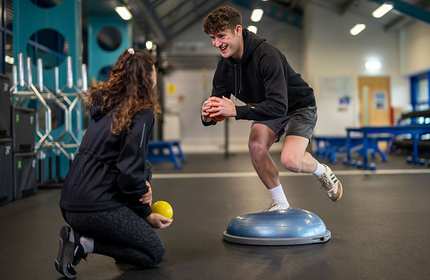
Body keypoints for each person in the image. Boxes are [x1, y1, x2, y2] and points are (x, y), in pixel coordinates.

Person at [201, 6, 343, 211]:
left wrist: (237, 111)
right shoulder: (224, 66)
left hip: (298, 106)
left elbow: (279, 105)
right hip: (268, 107)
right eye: (212, 38)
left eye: (221, 36)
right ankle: (281, 203)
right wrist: (208, 114)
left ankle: (322, 171)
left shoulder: (267, 55)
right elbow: (218, 105)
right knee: (256, 146)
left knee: (291, 161)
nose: (217, 44)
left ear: (238, 30)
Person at [55, 48, 172, 279]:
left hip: (70, 203)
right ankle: (83, 243)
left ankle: (93, 236)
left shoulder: (105, 105)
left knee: (144, 169)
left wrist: (143, 186)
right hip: (94, 207)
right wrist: (145, 212)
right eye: (154, 71)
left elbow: (132, 166)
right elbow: (129, 171)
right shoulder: (143, 112)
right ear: (148, 77)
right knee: (153, 253)